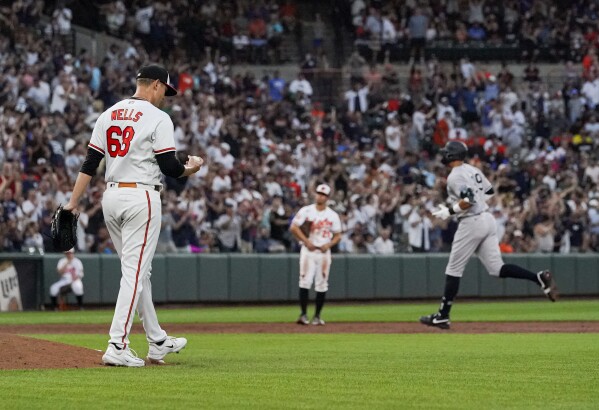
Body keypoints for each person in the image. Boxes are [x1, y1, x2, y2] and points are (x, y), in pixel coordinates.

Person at [63, 64, 205, 367]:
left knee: (140, 272)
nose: (165, 97)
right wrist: (189, 169)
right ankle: (117, 344)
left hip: (111, 197)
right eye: (164, 90)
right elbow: (169, 166)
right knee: (135, 273)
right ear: (154, 84)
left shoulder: (109, 113)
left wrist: (72, 203)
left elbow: (90, 163)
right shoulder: (158, 117)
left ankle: (157, 341)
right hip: (141, 197)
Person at [420, 141, 558, 329]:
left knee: (453, 269)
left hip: (471, 222)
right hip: (487, 218)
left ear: (452, 156)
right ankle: (538, 277)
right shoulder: (472, 170)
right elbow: (489, 191)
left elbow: (468, 201)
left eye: (446, 153)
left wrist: (449, 211)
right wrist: (474, 204)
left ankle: (443, 316)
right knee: (496, 268)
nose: (443, 155)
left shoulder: (455, 176)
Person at [289, 184, 341, 326]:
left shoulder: (332, 215)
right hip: (308, 251)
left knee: (322, 284)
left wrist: (328, 245)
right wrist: (306, 241)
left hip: (324, 252)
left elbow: (338, 234)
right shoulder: (307, 211)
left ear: (328, 197)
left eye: (323, 194)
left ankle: (317, 316)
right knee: (304, 281)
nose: (320, 196)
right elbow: (293, 227)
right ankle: (303, 315)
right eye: (318, 193)